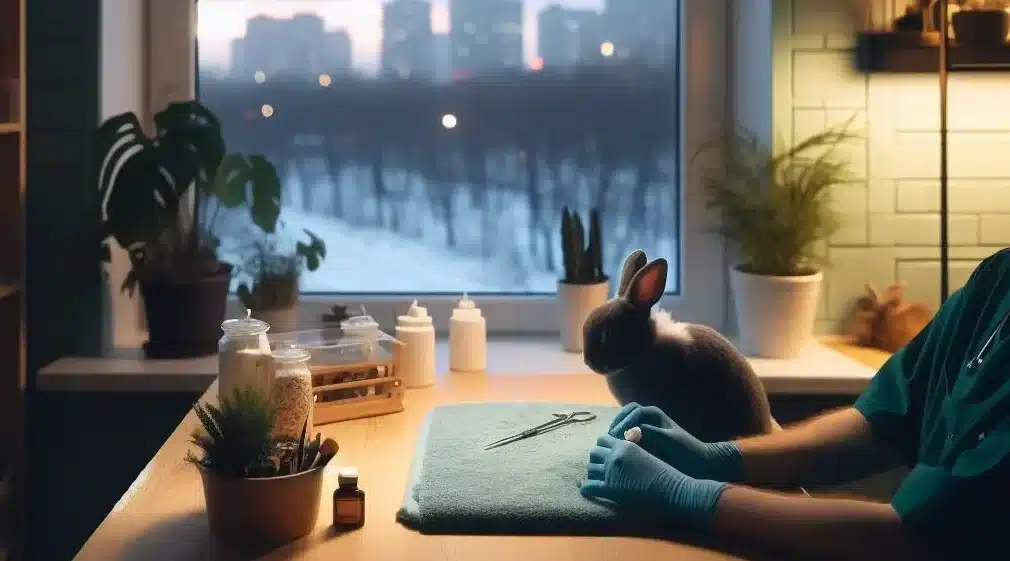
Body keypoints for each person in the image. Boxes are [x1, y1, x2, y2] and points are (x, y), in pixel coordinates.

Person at [581, 248, 1010, 561]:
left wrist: (688, 496)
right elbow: (883, 419)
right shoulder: (996, 283)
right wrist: (719, 459)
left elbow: (918, 538)